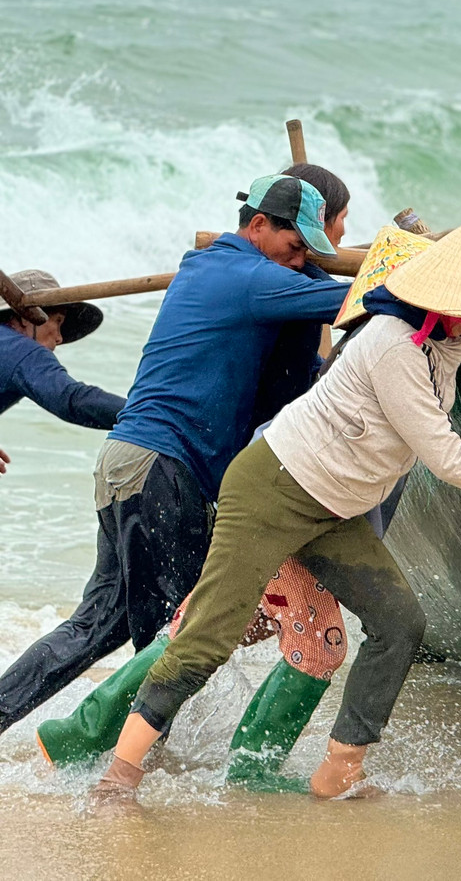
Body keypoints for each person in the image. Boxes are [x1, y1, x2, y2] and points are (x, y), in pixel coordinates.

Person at [93, 168, 461, 801]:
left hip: (336, 509)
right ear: (448, 298)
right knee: (210, 633)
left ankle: (338, 773)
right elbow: (445, 456)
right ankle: (118, 774)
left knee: (400, 623)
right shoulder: (394, 342)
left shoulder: (458, 327)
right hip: (271, 491)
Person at [33, 166, 356, 784]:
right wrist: (404, 268)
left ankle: (92, 745)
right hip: (161, 466)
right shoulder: (244, 273)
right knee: (195, 626)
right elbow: (352, 301)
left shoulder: (222, 268)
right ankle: (115, 760)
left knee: (161, 621)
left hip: (130, 464)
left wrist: (310, 261)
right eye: (293, 249)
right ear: (257, 226)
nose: (296, 263)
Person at [1, 270, 125, 433]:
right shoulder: (19, 349)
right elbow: (72, 400)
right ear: (25, 317)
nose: (59, 338)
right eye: (58, 321)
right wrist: (149, 414)